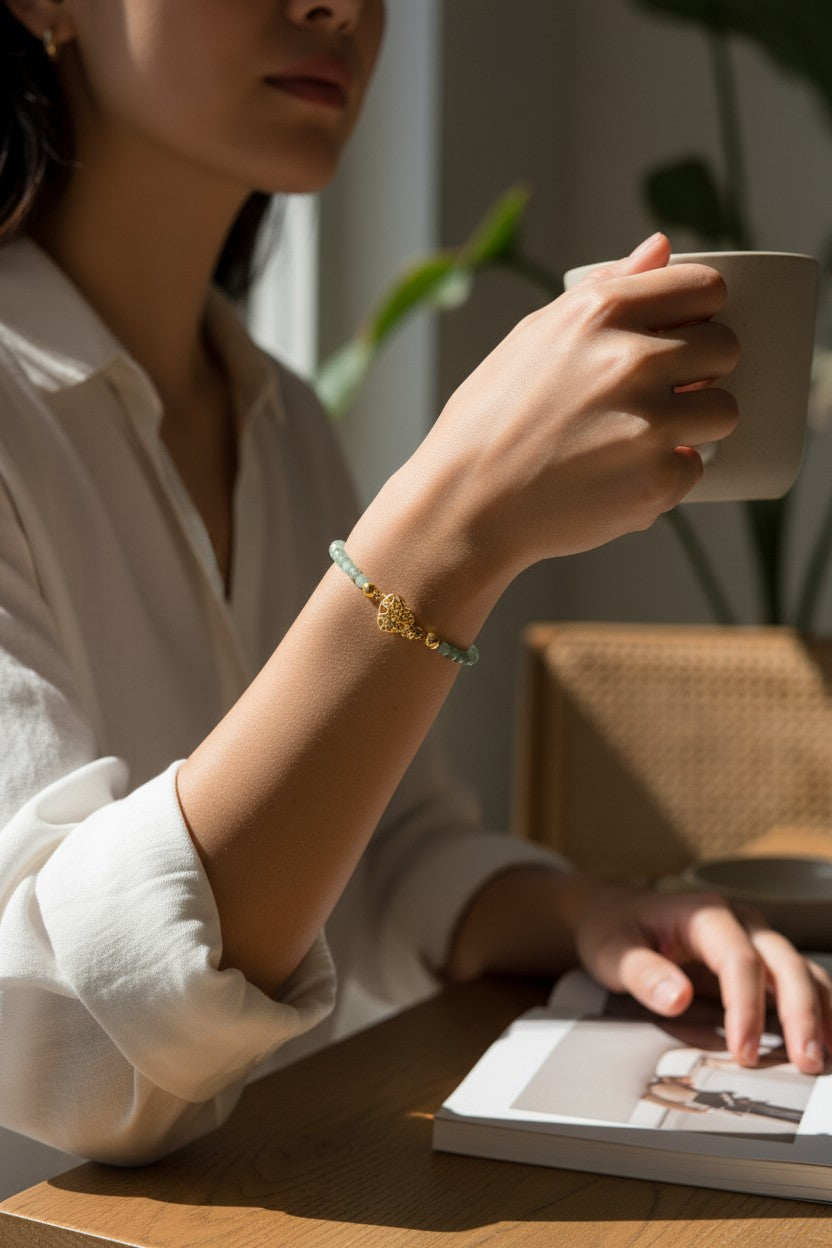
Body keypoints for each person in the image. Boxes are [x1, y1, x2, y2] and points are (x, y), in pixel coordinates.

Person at [0, 0, 829, 1175]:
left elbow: (382, 859)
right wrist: (447, 527)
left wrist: (584, 911)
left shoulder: (278, 421)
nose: (337, 7)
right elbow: (66, 1032)